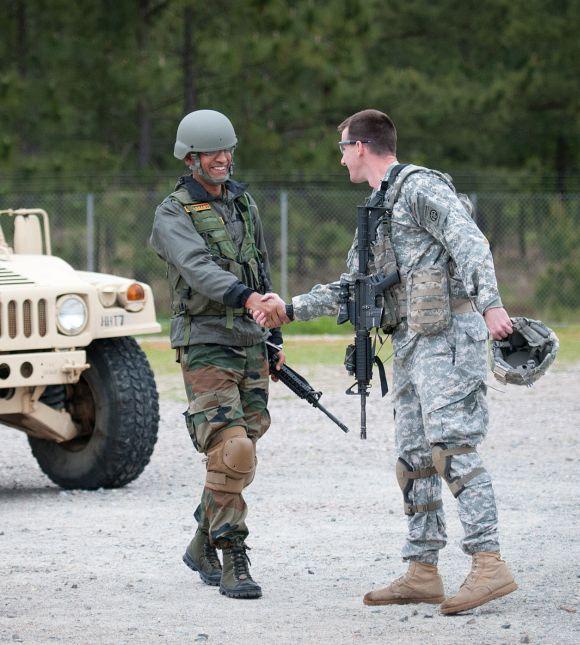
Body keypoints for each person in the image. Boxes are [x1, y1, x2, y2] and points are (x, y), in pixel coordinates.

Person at [254, 109, 518, 615]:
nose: (340, 159)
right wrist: (288, 308)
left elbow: (470, 242)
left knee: (452, 448)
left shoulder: (419, 188)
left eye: (343, 148)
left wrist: (491, 304)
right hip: (412, 343)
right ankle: (423, 570)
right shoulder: (378, 209)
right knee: (414, 458)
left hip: (450, 338)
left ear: (362, 146)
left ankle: (489, 563)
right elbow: (353, 285)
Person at [149, 109, 286, 600]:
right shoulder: (172, 213)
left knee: (244, 448)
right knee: (232, 449)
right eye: (213, 153)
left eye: (228, 149)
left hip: (250, 341)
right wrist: (247, 300)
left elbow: (260, 266)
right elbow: (199, 268)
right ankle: (232, 555)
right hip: (205, 340)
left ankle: (199, 544)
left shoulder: (243, 201)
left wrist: (273, 336)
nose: (224, 158)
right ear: (191, 159)